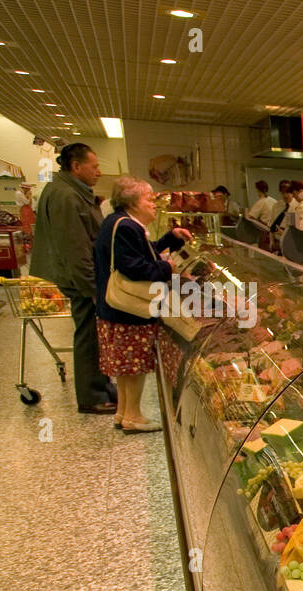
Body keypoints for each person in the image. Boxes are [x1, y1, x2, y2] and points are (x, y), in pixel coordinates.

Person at [92, 176, 191, 432]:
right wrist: (168, 267)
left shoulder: (118, 223)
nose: (154, 203)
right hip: (129, 309)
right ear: (132, 201)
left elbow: (142, 252)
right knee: (134, 365)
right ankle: (134, 417)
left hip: (114, 307)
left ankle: (123, 412)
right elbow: (135, 267)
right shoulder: (127, 227)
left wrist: (170, 239)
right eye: (149, 198)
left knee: (124, 367)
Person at [29, 142, 115, 413]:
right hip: (79, 279)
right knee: (88, 334)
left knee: (94, 332)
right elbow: (74, 248)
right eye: (95, 166)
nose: (98, 172)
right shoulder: (66, 196)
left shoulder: (68, 191)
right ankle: (92, 396)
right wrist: (91, 286)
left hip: (81, 276)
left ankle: (101, 385)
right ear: (76, 167)